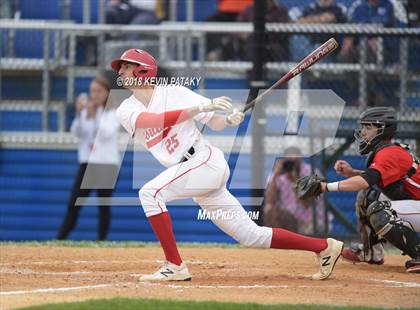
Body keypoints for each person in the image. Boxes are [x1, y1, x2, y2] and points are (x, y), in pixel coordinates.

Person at [112, 48, 343, 281]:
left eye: (126, 66)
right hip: (194, 174)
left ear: (143, 71)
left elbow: (216, 123)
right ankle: (324, 247)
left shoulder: (173, 93)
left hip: (204, 162)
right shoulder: (126, 109)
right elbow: (152, 120)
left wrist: (229, 119)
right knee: (251, 235)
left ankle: (175, 265)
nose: (120, 71)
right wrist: (199, 108)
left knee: (150, 194)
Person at [309, 107, 419, 273]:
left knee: (380, 211)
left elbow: (365, 181)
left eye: (369, 128)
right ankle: (372, 254)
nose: (363, 132)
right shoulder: (387, 151)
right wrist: (352, 173)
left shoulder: (389, 153)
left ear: (383, 130)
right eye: (363, 127)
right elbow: (374, 179)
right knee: (367, 196)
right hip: (415, 204)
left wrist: (326, 187)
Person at [57, 76, 120, 241]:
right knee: (74, 202)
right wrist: (79, 115)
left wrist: (94, 117)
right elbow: (76, 132)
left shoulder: (113, 113)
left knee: (103, 205)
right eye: (92, 91)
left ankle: (102, 241)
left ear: (107, 93)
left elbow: (106, 134)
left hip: (107, 165)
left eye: (99, 91)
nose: (95, 95)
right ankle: (60, 239)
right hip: (88, 164)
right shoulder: (86, 112)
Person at [264, 147, 332, 235]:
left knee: (308, 231)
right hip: (290, 218)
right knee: (269, 210)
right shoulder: (279, 173)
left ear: (301, 159)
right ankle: (278, 241)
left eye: (294, 160)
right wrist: (275, 175)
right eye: (289, 161)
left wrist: (294, 181)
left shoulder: (311, 172)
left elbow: (306, 203)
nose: (291, 164)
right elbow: (269, 200)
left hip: (311, 221)